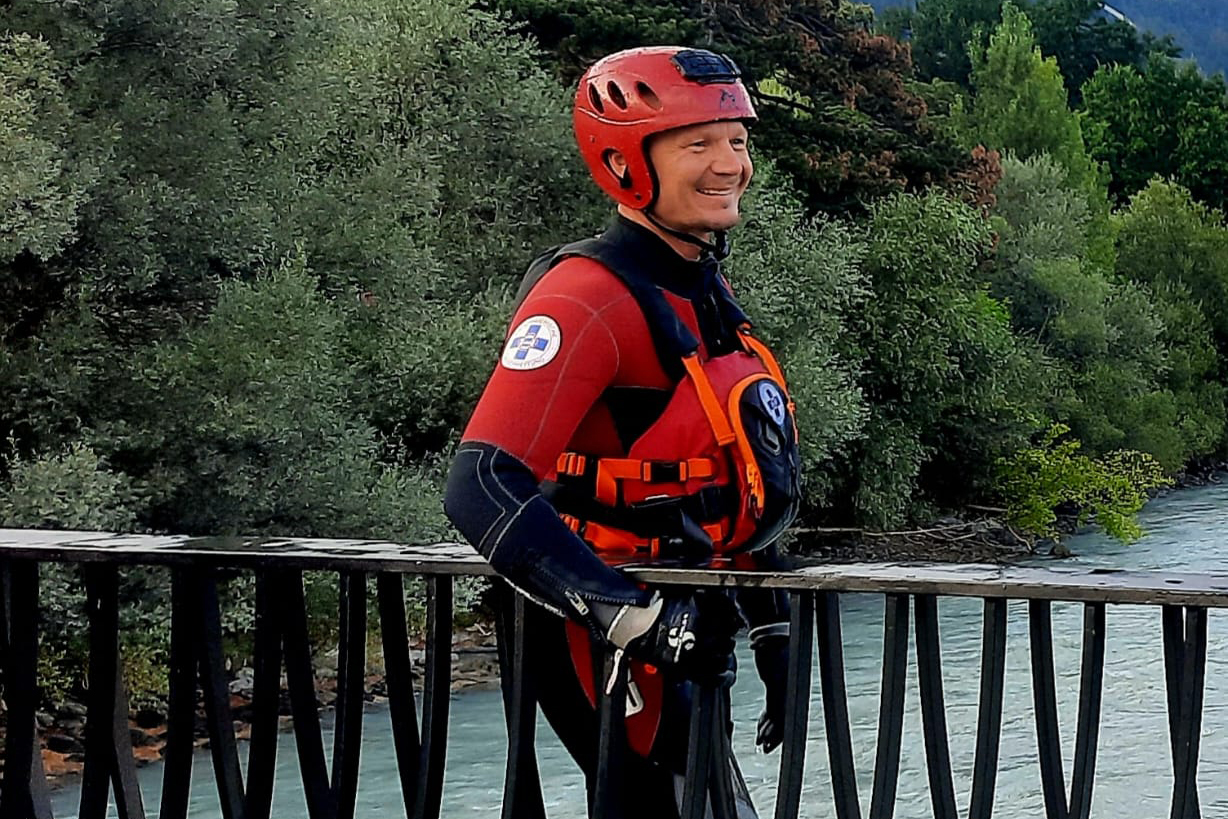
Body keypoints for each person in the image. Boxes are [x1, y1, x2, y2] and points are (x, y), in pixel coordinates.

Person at [444, 46, 801, 817]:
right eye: (697, 143)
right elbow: (479, 484)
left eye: (737, 139)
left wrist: (774, 627)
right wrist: (631, 617)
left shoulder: (701, 288)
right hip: (604, 633)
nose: (728, 164)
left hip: (692, 618)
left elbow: (727, 464)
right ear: (625, 161)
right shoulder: (585, 297)